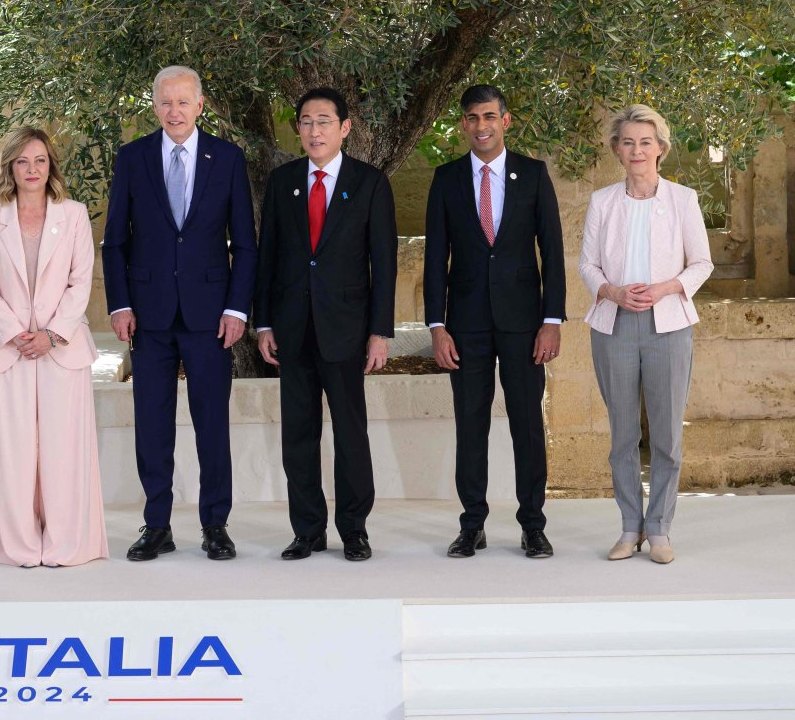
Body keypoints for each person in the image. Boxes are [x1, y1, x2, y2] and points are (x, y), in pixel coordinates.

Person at [102, 65, 256, 562]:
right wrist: (120, 303)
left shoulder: (228, 159)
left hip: (211, 316)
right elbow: (115, 242)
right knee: (152, 425)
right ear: (154, 105)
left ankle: (216, 525)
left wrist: (236, 307)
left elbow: (246, 246)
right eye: (165, 102)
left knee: (212, 424)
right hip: (147, 317)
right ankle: (156, 524)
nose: (174, 111)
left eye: (183, 102)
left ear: (200, 105)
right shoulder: (132, 158)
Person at [423, 85, 565, 560]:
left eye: (489, 116)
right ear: (462, 124)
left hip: (525, 324)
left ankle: (533, 525)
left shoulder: (534, 174)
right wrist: (436, 327)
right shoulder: (445, 179)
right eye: (471, 117)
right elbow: (434, 259)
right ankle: (472, 525)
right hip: (464, 326)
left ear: (505, 120)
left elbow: (553, 252)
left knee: (527, 425)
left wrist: (552, 320)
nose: (480, 125)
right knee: (470, 425)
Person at [255, 87, 395, 562]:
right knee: (298, 434)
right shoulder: (282, 182)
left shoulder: (370, 182)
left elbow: (384, 264)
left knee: (351, 434)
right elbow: (267, 257)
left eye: (324, 121)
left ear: (344, 128)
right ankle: (307, 531)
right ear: (298, 128)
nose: (315, 131)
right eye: (307, 122)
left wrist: (380, 332)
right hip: (292, 329)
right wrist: (264, 323)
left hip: (347, 330)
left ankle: (353, 529)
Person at [579, 104, 712, 564]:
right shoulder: (601, 201)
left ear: (661, 149)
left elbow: (701, 263)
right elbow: (587, 265)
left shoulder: (684, 199)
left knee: (666, 435)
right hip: (613, 325)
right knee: (621, 435)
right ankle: (629, 526)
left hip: (669, 325)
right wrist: (611, 290)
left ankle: (659, 530)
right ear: (618, 150)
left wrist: (666, 287)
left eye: (646, 141)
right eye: (628, 142)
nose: (637, 149)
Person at [0, 127, 108, 567]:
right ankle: (17, 546)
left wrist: (51, 334)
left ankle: (68, 543)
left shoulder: (73, 215)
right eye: (23, 161)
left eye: (41, 160)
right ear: (11, 167)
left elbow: (80, 280)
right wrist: (16, 333)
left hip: (62, 349)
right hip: (8, 350)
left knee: (63, 450)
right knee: (11, 451)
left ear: (51, 166)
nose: (32, 169)